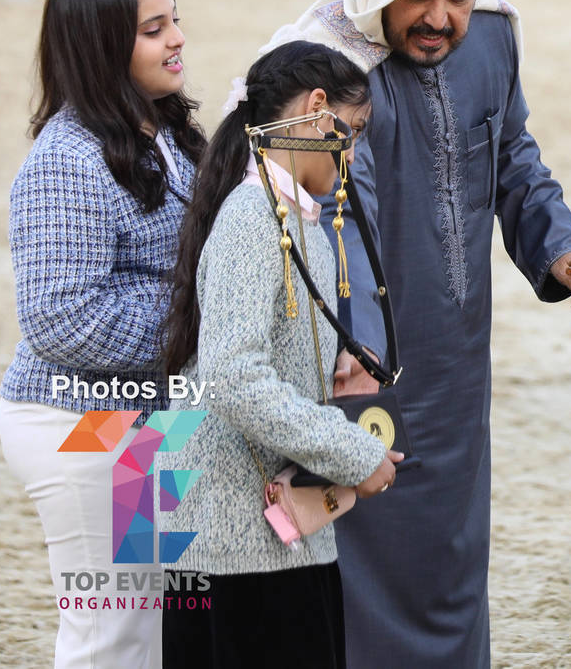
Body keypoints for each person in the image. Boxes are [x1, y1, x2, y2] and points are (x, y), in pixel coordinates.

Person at [263, 0, 571, 668]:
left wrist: (562, 245)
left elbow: (513, 155)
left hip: (457, 368)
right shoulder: (317, 69)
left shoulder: (491, 37)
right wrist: (352, 346)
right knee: (349, 563)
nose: (441, 17)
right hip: (346, 371)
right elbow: (319, 224)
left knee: (451, 564)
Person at [159, 41, 401, 668]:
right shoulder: (252, 217)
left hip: (279, 538)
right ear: (319, 111)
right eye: (353, 132)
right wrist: (352, 451)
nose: (354, 152)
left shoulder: (298, 220)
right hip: (233, 548)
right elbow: (232, 375)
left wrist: (330, 372)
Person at [0, 0, 204, 669]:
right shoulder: (67, 159)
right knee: (110, 636)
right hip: (80, 426)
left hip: (151, 419)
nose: (177, 37)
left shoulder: (168, 133)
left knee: (152, 630)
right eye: (154, 28)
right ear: (99, 44)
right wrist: (203, 315)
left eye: (174, 19)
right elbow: (63, 317)